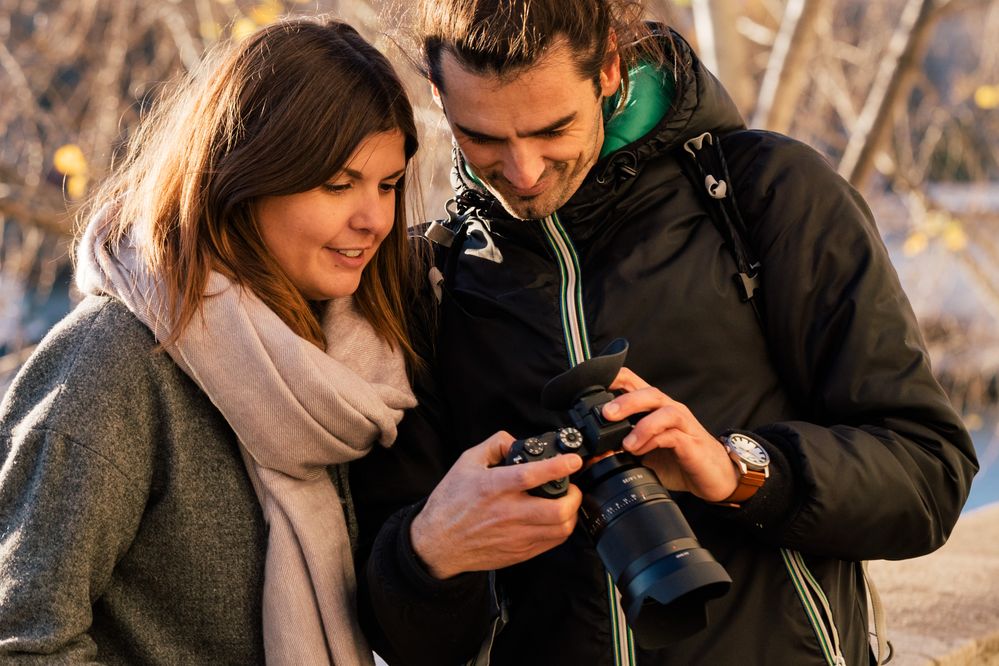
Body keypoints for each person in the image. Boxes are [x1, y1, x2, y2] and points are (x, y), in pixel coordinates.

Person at [349, 1, 979, 664]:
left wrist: (739, 469)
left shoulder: (767, 197)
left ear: (609, 69)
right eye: (482, 138)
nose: (523, 170)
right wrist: (429, 551)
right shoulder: (428, 281)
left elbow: (928, 474)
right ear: (437, 92)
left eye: (551, 129)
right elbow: (406, 640)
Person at [0, 16, 421, 665]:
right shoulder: (116, 358)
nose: (372, 219)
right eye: (337, 185)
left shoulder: (352, 374)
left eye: (387, 185)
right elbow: (22, 637)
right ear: (245, 176)